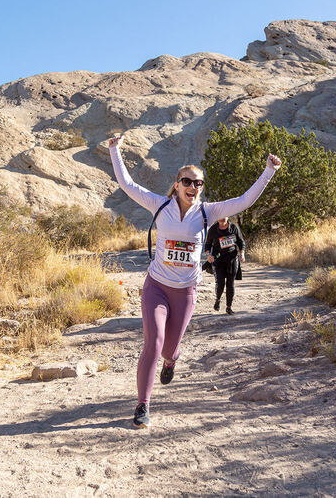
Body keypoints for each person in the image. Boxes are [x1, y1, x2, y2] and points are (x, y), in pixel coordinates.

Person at [107, 134, 281, 428]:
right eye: (187, 182)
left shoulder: (208, 212)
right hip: (157, 287)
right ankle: (142, 405)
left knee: (169, 348)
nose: (193, 187)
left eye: (198, 183)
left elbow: (244, 201)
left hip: (186, 291)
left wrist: (269, 171)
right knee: (154, 342)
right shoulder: (159, 205)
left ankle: (171, 361)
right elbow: (128, 185)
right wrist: (115, 150)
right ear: (177, 184)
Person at [204, 217, 245, 315]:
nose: (222, 219)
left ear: (228, 216)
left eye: (224, 216)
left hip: (232, 258)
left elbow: (240, 242)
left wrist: (242, 253)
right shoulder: (213, 229)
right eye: (220, 217)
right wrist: (208, 255)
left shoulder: (233, 227)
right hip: (218, 259)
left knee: (230, 283)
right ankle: (218, 300)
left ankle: (229, 307)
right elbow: (208, 245)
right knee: (220, 283)